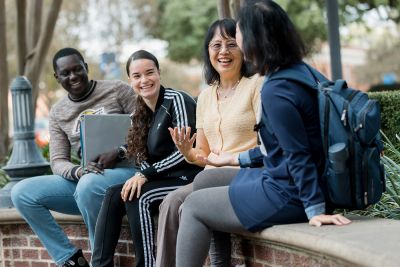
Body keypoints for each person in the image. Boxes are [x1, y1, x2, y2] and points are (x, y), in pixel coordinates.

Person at [175, 1, 352, 266]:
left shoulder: (276, 89)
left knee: (192, 206)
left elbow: (298, 154)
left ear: (255, 37)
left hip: (286, 193)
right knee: (204, 182)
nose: (237, 39)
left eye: (239, 33)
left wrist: (315, 210)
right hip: (291, 180)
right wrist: (235, 160)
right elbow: (285, 146)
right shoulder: (302, 71)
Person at [11, 47, 137, 267]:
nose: (73, 77)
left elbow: (146, 130)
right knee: (22, 192)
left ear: (86, 68)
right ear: (57, 77)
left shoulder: (118, 90)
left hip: (127, 173)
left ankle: (101, 263)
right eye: (66, 73)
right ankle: (70, 259)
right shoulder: (59, 111)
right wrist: (79, 171)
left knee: (88, 185)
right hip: (87, 178)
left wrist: (119, 151)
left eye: (77, 69)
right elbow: (58, 160)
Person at [156, 18, 263, 267]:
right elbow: (202, 154)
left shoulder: (256, 86)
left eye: (231, 44)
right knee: (171, 202)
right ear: (208, 51)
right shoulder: (204, 96)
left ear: (243, 49)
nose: (223, 52)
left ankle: (219, 262)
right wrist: (187, 151)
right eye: (216, 45)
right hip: (210, 175)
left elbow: (268, 145)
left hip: (246, 172)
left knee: (198, 194)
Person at [91, 50, 203, 267]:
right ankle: (99, 264)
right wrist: (141, 171)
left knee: (138, 196)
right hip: (162, 178)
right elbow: (138, 151)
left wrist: (145, 174)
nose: (144, 80)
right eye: (137, 76)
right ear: (130, 80)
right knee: (114, 194)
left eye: (149, 73)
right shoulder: (139, 110)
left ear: (159, 73)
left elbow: (185, 151)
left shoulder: (177, 100)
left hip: (187, 177)